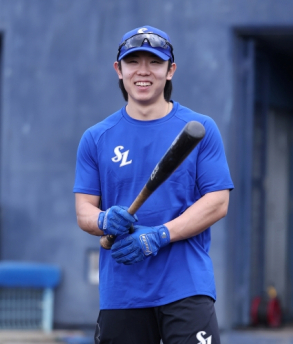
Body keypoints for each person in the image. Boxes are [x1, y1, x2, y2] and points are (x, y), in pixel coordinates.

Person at [73, 25, 233, 344]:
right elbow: (84, 213)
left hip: (186, 285)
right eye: (133, 62)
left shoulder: (200, 129)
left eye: (155, 62)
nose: (143, 71)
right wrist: (104, 219)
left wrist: (159, 236)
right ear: (119, 70)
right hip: (122, 292)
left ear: (170, 70)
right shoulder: (96, 138)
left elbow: (217, 202)